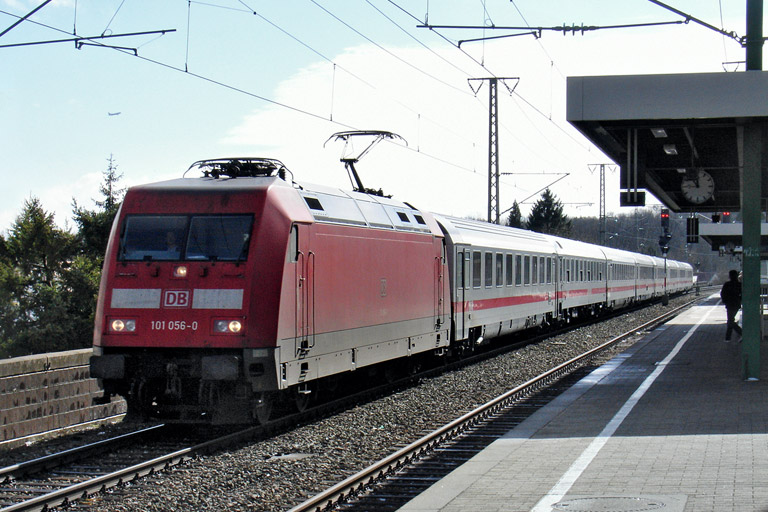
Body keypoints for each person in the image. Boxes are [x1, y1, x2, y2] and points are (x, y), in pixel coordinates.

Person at [720, 269, 742, 342]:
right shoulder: (739, 285)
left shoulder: (727, 284)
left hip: (729, 304)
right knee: (730, 320)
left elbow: (723, 294)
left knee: (730, 321)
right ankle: (728, 338)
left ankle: (741, 333)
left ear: (729, 276)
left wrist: (725, 301)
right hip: (736, 304)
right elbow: (742, 294)